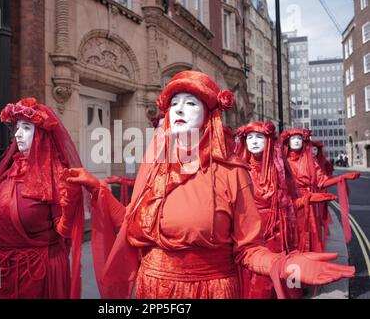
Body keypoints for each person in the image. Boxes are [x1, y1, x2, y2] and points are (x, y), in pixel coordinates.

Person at [60, 71, 355, 299]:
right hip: (152, 291)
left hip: (208, 291)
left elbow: (248, 248)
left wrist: (283, 265)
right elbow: (132, 225)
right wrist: (96, 188)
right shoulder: (154, 168)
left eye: (191, 103)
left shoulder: (231, 173)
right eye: (174, 103)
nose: (179, 109)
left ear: (209, 116)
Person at [0, 98, 86, 299]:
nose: (18, 134)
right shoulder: (12, 169)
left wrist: (69, 203)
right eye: (17, 127)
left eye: (27, 128)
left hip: (35, 274)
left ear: (42, 134)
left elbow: (63, 232)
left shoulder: (56, 175)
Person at [235, 122, 337, 298]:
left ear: (268, 141)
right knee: (255, 279)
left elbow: (289, 203)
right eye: (249, 137)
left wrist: (307, 199)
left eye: (259, 137)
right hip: (251, 233)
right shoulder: (239, 169)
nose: (254, 141)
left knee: (278, 276)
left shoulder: (279, 170)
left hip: (277, 233)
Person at [280, 129, 360, 252]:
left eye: (299, 138)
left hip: (310, 206)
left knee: (310, 239)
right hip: (291, 207)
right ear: (287, 141)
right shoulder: (282, 162)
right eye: (293, 138)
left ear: (304, 141)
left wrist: (341, 178)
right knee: (293, 240)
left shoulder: (310, 161)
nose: (296, 141)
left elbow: (322, 181)